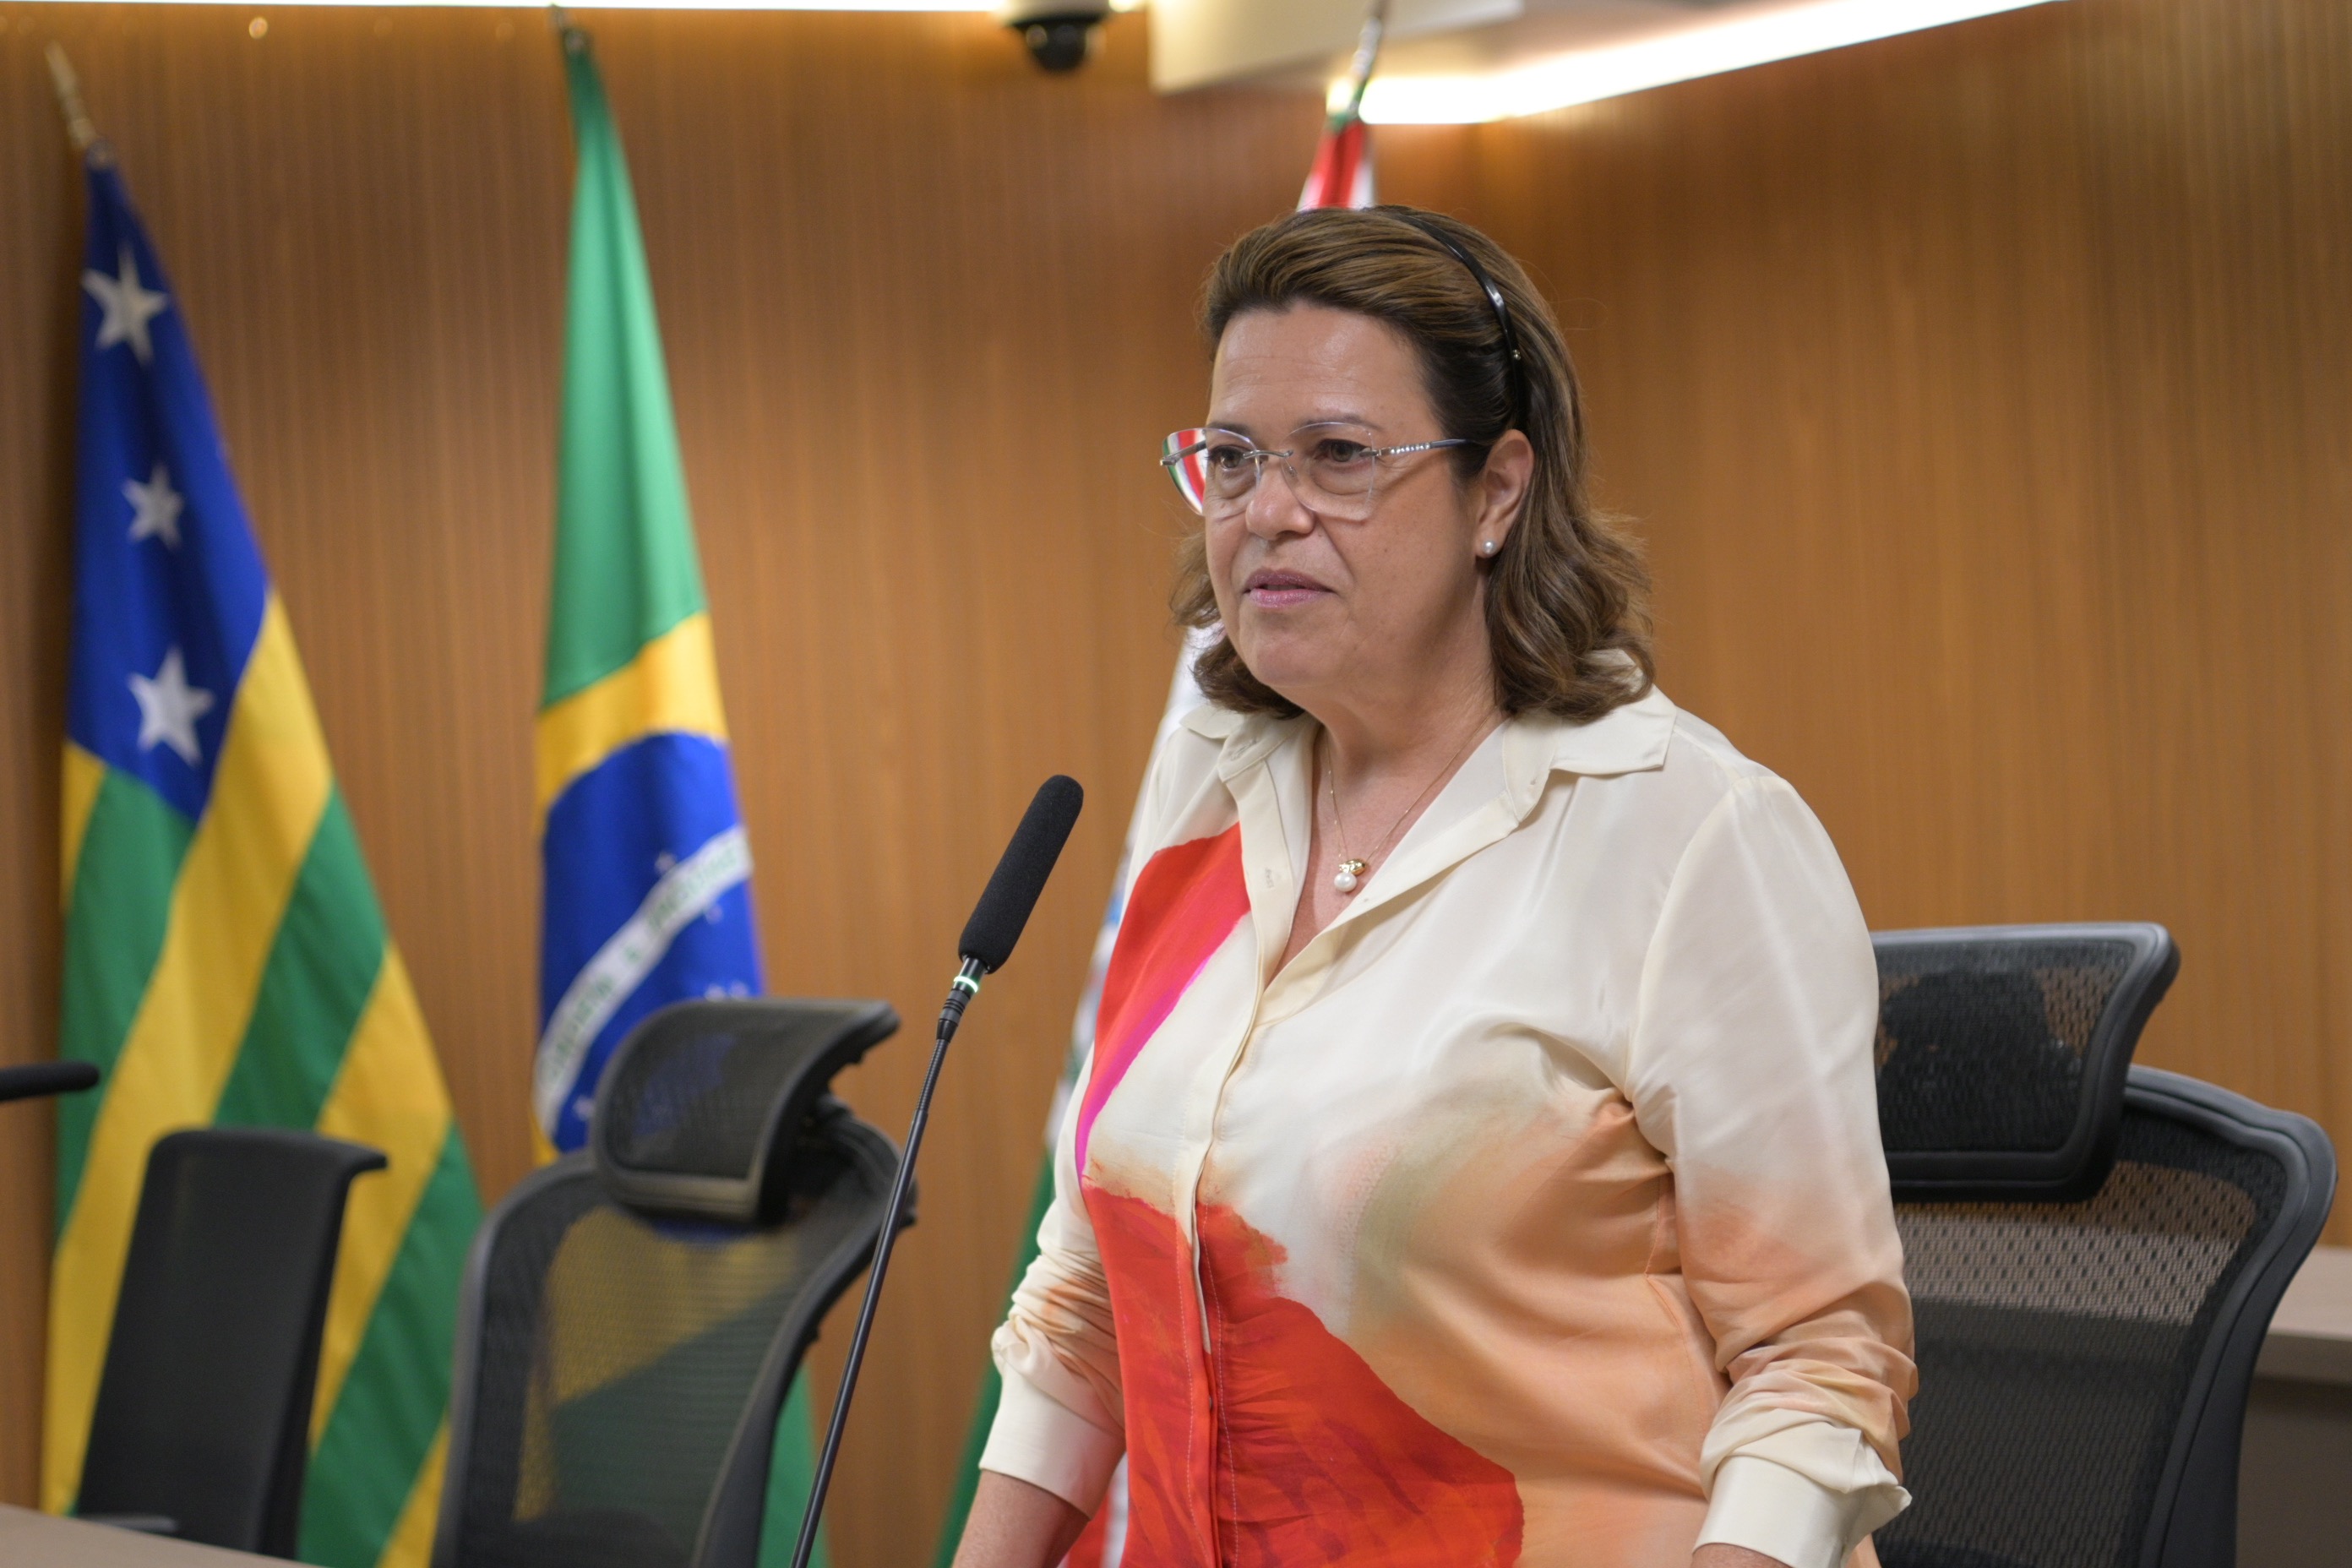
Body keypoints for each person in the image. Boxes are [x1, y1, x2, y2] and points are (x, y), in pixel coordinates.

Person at [953, 206, 1914, 1568]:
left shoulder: (1689, 835)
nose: (1266, 511)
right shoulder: (1211, 790)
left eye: (1339, 457)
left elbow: (1818, 1368)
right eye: (1232, 458)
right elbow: (1096, 1297)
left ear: (1498, 492)